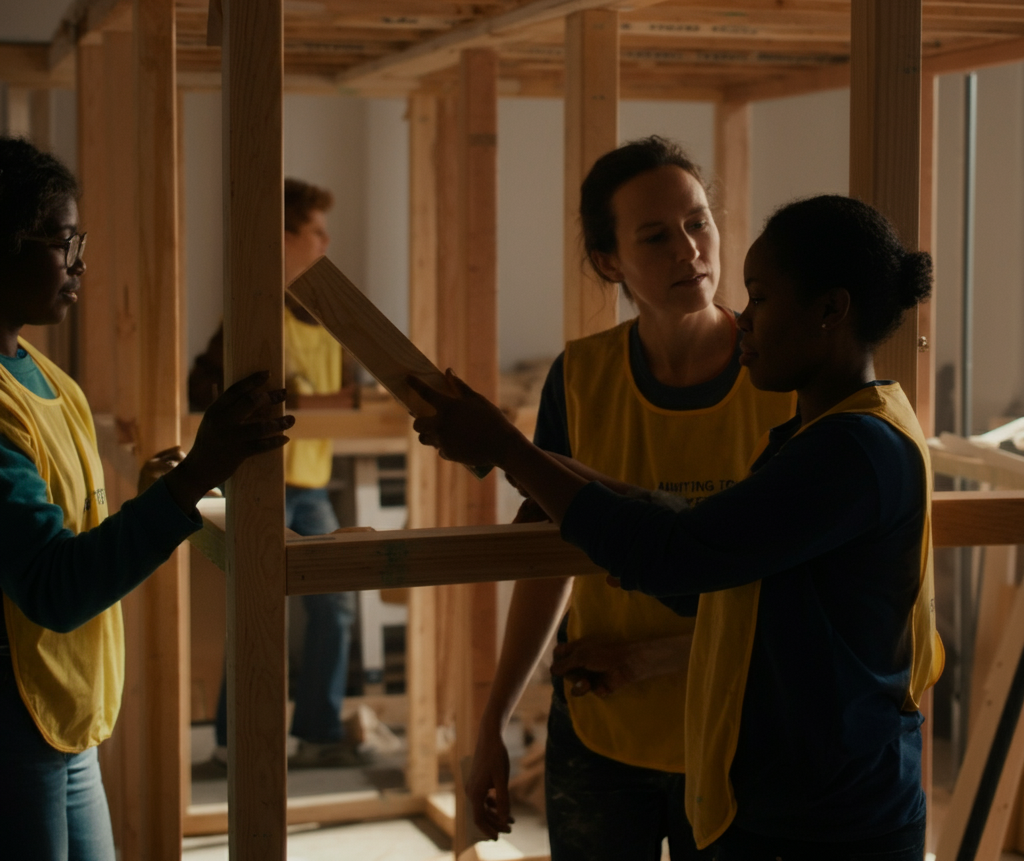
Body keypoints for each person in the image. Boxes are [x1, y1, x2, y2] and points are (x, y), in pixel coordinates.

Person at [412, 194, 943, 861]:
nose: (745, 320)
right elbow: (708, 538)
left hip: (828, 821)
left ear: (830, 311)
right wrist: (541, 467)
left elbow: (681, 558)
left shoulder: (851, 452)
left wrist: (513, 453)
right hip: (794, 800)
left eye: (761, 299)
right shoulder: (818, 437)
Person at [466, 137, 794, 860]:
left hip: (742, 731)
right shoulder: (582, 377)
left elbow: (799, 594)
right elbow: (549, 557)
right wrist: (494, 718)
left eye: (699, 221)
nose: (690, 249)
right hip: (600, 732)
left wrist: (653, 657)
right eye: (655, 235)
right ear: (608, 261)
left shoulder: (783, 373)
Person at [0, 137, 293, 861]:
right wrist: (197, 475)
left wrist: (168, 485)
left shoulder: (43, 376)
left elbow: (69, 525)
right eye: (63, 242)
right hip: (13, 729)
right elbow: (54, 587)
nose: (80, 264)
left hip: (66, 716)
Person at [192, 178, 361, 768]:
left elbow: (357, 397)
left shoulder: (327, 316)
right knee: (255, 608)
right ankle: (233, 746)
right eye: (315, 231)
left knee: (335, 604)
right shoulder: (254, 310)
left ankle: (319, 733)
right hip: (264, 484)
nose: (326, 240)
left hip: (311, 485)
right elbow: (205, 386)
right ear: (285, 237)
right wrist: (317, 401)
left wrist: (316, 401)